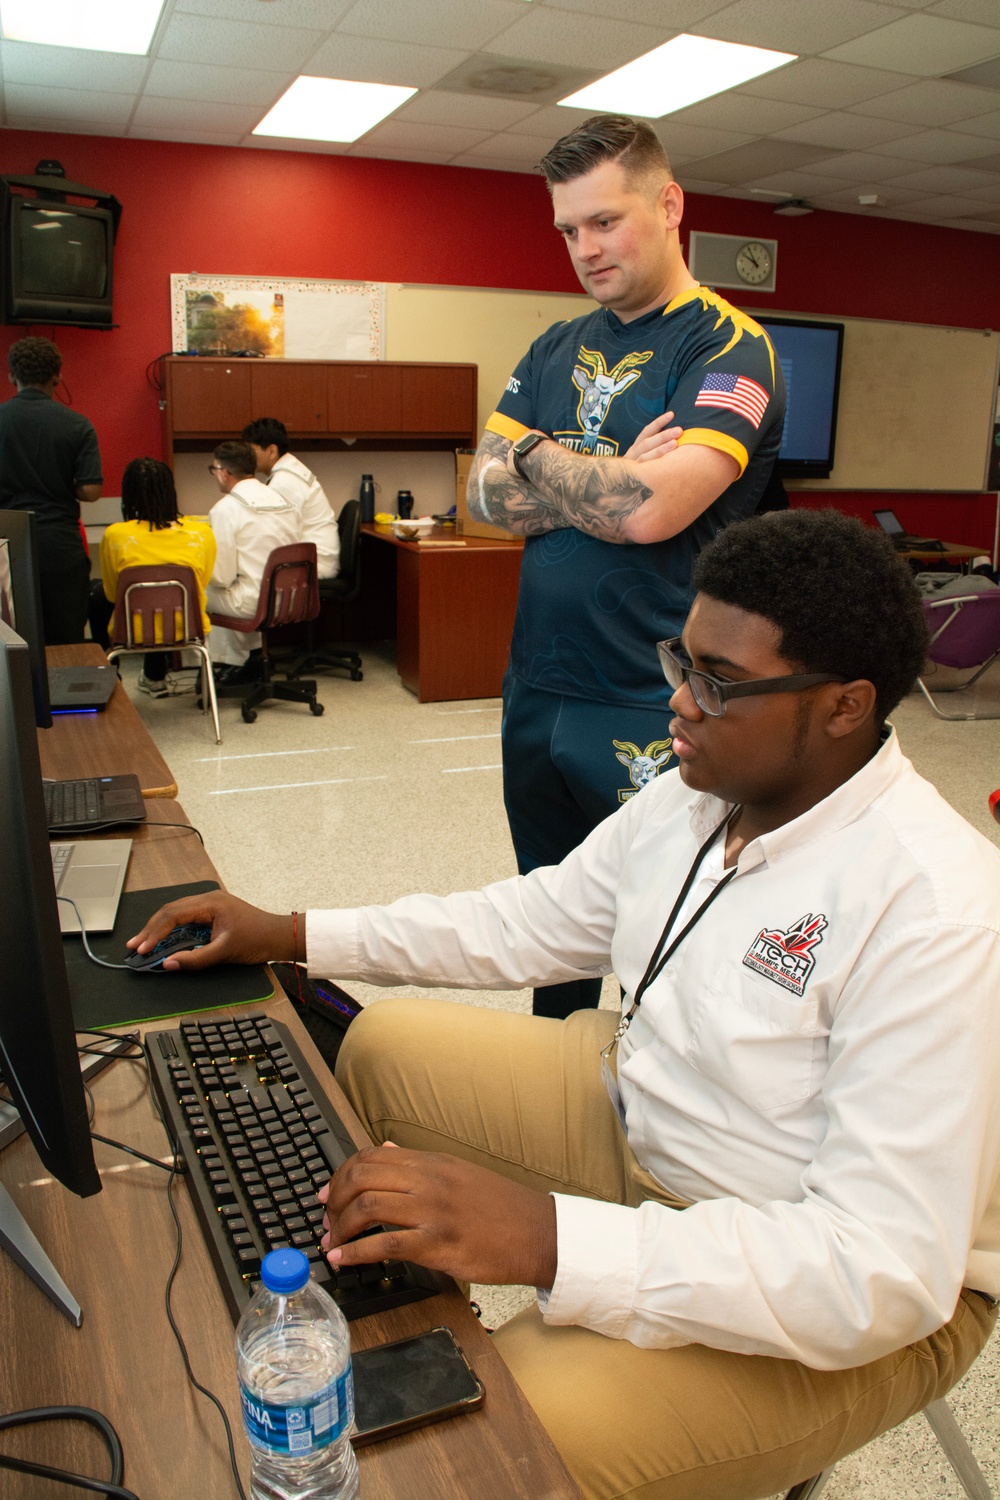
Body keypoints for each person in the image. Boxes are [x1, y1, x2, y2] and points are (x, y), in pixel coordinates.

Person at [130, 509, 1000, 1500]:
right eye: (681, 658)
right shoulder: (700, 788)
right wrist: (293, 931)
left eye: (716, 682)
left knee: (497, 1439)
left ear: (845, 706)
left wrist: (547, 1236)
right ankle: (384, 1324)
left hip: (851, 1299)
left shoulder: (937, 915)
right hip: (643, 1119)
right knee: (379, 1048)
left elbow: (875, 1274)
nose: (677, 701)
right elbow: (530, 921)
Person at [467, 114, 787, 1019]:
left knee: (661, 940)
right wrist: (600, 471)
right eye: (569, 229)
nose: (585, 248)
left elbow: (650, 510)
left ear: (669, 203)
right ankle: (549, 1112)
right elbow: (478, 502)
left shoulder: (727, 346)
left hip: (652, 697)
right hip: (536, 688)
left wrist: (532, 452)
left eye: (605, 220)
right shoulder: (553, 348)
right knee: (549, 925)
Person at [0, 335, 103, 644]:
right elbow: (91, 491)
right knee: (66, 640)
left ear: (12, 375)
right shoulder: (77, 425)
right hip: (59, 544)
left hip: (5, 545)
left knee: (11, 639)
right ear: (58, 376)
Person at [88, 457, 216, 697]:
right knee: (165, 599)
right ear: (171, 491)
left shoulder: (116, 535)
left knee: (96, 593)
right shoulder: (201, 533)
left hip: (132, 629)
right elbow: (202, 582)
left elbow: (111, 592)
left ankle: (110, 676)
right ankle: (155, 677)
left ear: (129, 495)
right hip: (185, 627)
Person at [205, 439, 300, 679]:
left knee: (203, 591)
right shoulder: (285, 502)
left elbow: (221, 577)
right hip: (292, 599)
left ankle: (230, 665)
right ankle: (252, 657)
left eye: (214, 470)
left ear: (224, 473)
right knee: (242, 585)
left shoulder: (225, 509)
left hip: (254, 604)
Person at [242, 417, 339, 580]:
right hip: (315, 556)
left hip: (316, 563)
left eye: (250, 451)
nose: (246, 457)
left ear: (271, 451)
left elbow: (276, 535)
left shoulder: (285, 482)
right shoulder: (288, 471)